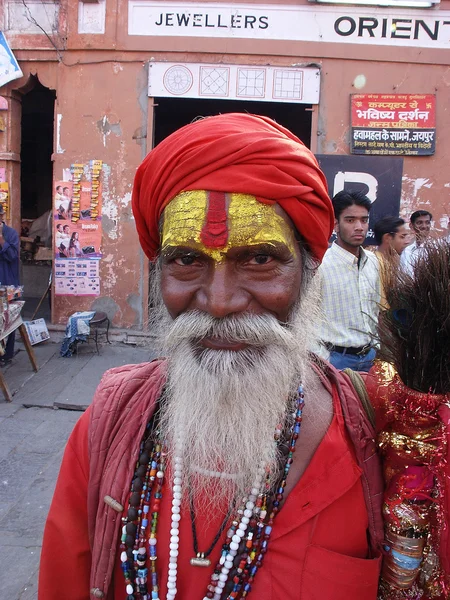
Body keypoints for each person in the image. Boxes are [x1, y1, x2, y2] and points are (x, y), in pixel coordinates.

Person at [39, 114, 385, 600]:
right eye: (186, 260)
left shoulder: (383, 438)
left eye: (260, 259)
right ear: (159, 275)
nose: (219, 302)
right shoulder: (106, 426)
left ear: (308, 271)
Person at [318, 190, 380, 372]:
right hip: (333, 360)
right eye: (350, 220)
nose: (359, 227)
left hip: (369, 358)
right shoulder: (320, 265)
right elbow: (305, 316)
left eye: (364, 219)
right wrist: (323, 359)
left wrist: (376, 349)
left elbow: (374, 310)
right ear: (336, 224)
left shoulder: (373, 261)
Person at [373, 216, 410, 308]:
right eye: (402, 237)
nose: (406, 242)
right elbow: (382, 306)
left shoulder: (389, 262)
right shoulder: (377, 263)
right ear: (388, 238)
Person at [0, 204, 19, 364]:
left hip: (8, 282)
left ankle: (7, 355)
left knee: (9, 320)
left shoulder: (11, 234)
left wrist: (1, 240)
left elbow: (12, 256)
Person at [400, 209, 432, 276]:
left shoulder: (436, 250)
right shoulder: (406, 250)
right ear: (411, 226)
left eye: (427, 222)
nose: (424, 226)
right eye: (419, 223)